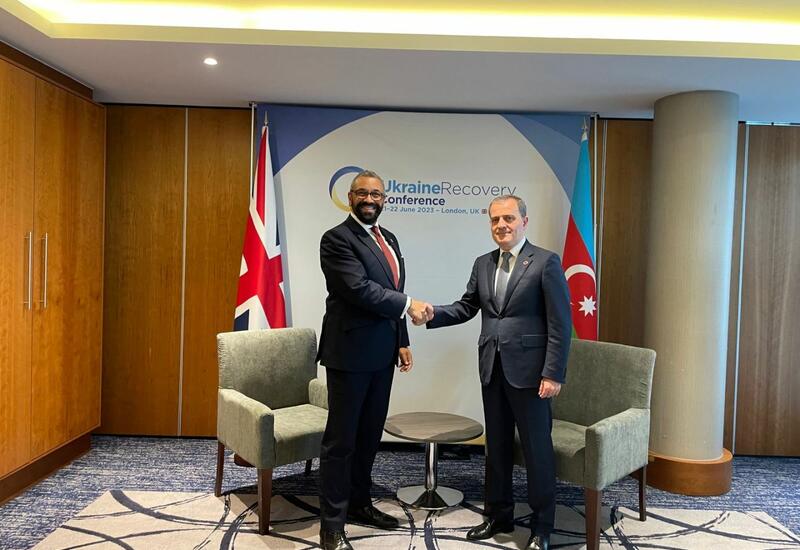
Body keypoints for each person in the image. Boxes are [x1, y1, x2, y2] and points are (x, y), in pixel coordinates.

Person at [425, 195, 571, 550]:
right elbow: (466, 307)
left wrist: (553, 373)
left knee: (537, 452)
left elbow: (560, 323)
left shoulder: (545, 262)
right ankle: (498, 516)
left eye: (508, 218)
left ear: (524, 221)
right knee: (497, 448)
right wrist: (433, 313)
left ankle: (541, 527)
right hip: (493, 368)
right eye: (495, 220)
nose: (501, 225)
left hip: (532, 375)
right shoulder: (483, 263)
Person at [317, 170, 432, 550]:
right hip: (349, 353)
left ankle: (359, 503)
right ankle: (332, 523)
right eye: (363, 193)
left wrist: (402, 340)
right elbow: (358, 289)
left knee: (369, 436)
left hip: (382, 353)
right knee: (341, 441)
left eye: (377, 194)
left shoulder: (389, 238)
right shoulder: (336, 239)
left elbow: (391, 289)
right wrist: (409, 305)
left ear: (385, 199)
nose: (370, 199)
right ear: (350, 197)